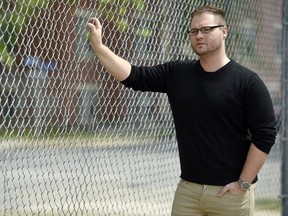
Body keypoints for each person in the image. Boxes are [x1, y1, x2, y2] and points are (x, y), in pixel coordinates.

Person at [87, 5, 277, 216]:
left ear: (224, 31)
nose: (199, 36)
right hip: (188, 192)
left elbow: (265, 135)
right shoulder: (177, 73)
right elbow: (135, 76)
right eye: (194, 31)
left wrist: (243, 184)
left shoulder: (248, 82)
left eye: (206, 29)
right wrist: (99, 48)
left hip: (230, 194)